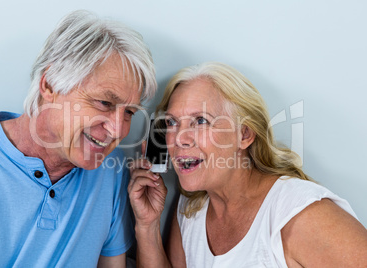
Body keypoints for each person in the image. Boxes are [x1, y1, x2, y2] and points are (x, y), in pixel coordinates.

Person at [0, 10, 156, 267]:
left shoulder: (111, 170)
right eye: (104, 102)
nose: (117, 130)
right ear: (50, 85)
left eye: (129, 113)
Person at [128, 62, 367, 267]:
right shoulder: (191, 208)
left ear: (244, 135)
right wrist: (147, 225)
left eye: (200, 121)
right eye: (171, 122)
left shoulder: (300, 214)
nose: (179, 138)